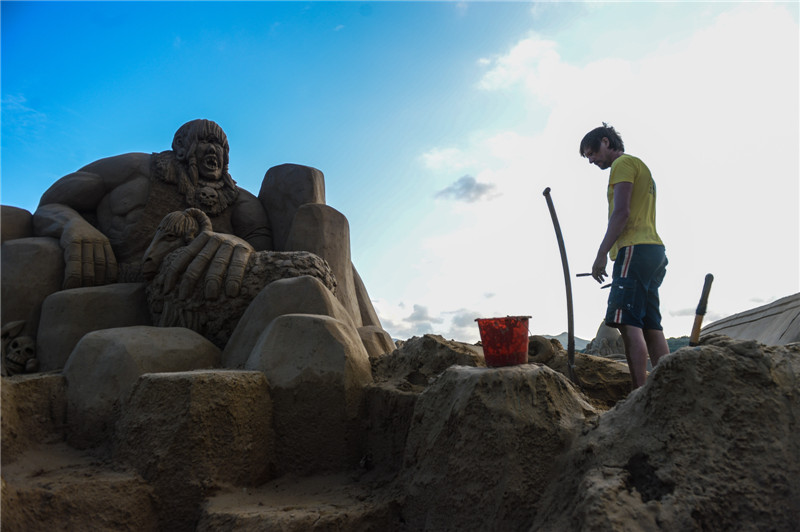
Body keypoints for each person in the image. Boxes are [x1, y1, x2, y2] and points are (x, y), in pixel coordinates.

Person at [33, 119, 272, 300]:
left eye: (220, 145)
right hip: (109, 289)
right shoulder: (134, 169)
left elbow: (267, 261)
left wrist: (239, 246)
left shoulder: (241, 202)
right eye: (204, 141)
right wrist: (74, 226)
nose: (213, 150)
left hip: (192, 300)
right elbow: (50, 203)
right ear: (180, 146)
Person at [579, 123, 669, 388]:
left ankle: (639, 393)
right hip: (653, 251)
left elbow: (621, 212)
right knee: (651, 325)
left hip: (633, 249)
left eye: (592, 153)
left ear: (606, 142)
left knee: (626, 322)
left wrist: (601, 254)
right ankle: (668, 386)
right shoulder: (641, 166)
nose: (591, 160)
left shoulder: (622, 164)